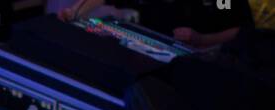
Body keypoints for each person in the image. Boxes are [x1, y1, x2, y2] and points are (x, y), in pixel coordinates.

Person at [58, 0, 252, 49]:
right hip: (148, 58)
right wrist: (74, 12)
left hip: (202, 63)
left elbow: (242, 31)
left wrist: (202, 39)